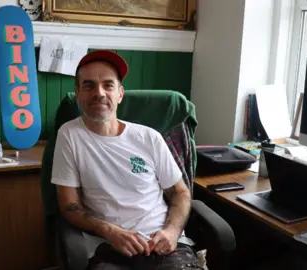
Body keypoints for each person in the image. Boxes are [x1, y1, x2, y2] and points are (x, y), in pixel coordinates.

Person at [51, 50, 203, 270]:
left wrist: (172, 231)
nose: (99, 93)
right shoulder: (69, 135)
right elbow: (69, 206)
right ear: (78, 93)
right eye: (89, 85)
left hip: (163, 246)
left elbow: (180, 192)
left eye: (108, 85)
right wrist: (111, 232)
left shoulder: (149, 137)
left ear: (120, 94)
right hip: (109, 247)